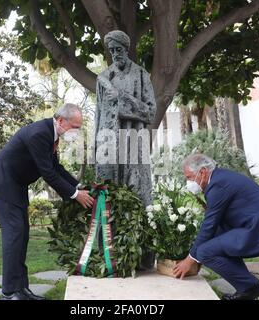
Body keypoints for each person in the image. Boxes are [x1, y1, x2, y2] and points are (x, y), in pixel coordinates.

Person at [0, 103, 94, 300]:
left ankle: (21, 289)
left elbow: (56, 167)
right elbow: (48, 174)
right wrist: (75, 196)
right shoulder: (39, 134)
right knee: (14, 233)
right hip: (3, 179)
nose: (77, 132)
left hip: (15, 183)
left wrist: (79, 187)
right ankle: (9, 293)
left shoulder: (51, 135)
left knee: (22, 234)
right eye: (75, 127)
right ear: (61, 121)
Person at [173, 154, 259, 300]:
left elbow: (208, 225)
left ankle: (254, 289)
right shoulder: (219, 178)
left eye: (189, 177)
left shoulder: (218, 184)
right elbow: (216, 222)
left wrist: (190, 259)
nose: (188, 182)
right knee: (216, 238)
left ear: (203, 172)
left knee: (204, 252)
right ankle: (247, 289)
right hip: (257, 225)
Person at [95, 30, 156, 269]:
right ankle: (108, 257)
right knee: (108, 195)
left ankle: (140, 257)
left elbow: (150, 112)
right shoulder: (103, 77)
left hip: (133, 146)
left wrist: (120, 97)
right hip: (109, 147)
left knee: (137, 194)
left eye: (118, 49)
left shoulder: (141, 76)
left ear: (126, 48)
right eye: (111, 51)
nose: (115, 54)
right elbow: (99, 114)